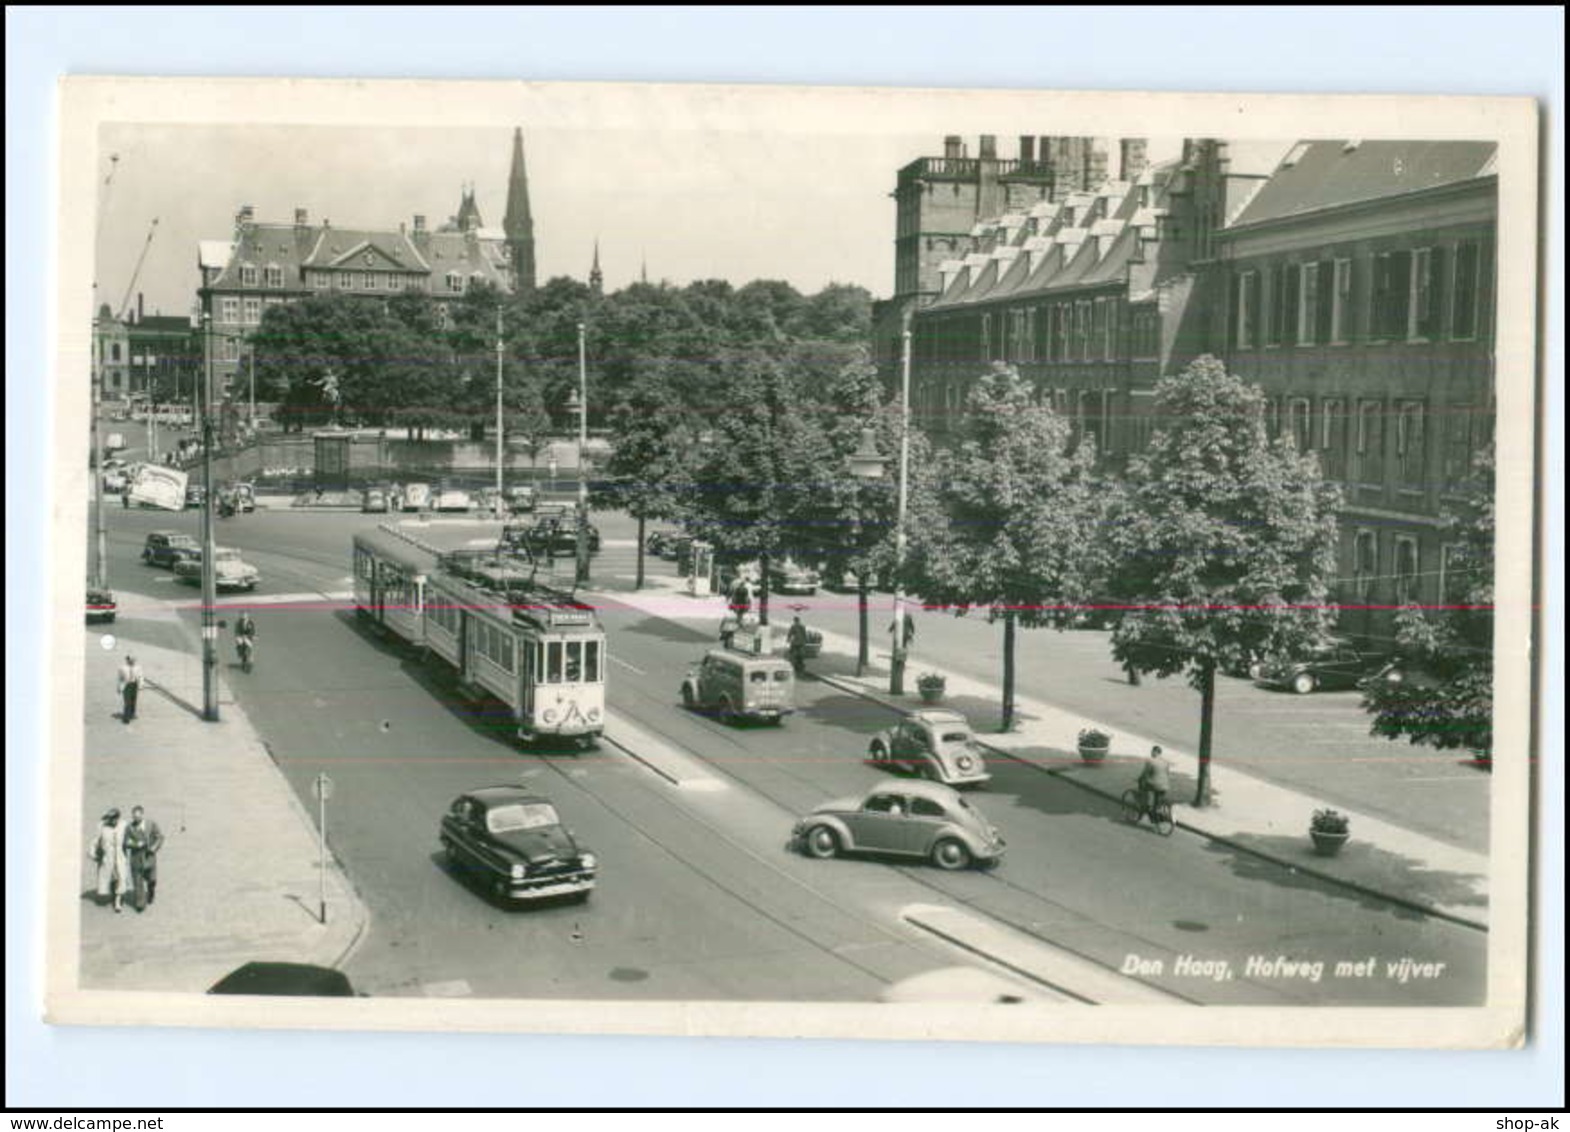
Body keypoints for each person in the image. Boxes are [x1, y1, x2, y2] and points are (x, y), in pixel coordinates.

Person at [122, 805, 164, 913]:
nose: (135, 819)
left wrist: (154, 848)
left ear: (142, 815)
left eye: (138, 816)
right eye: (134, 817)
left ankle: (151, 890)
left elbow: (160, 836)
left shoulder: (151, 824)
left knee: (152, 879)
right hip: (136, 859)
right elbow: (126, 842)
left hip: (149, 857)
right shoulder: (129, 828)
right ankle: (140, 903)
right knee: (137, 881)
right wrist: (136, 844)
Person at [89, 808, 129, 913]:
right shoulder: (102, 826)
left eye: (114, 819)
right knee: (111, 878)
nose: (112, 821)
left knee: (121, 877)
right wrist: (93, 853)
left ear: (118, 818)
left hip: (120, 857)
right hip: (108, 857)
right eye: (110, 819)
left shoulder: (124, 825)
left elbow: (130, 837)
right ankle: (114, 894)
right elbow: (95, 841)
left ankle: (117, 901)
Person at [1137, 745, 1172, 816]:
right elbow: (1167, 773)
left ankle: (1145, 806)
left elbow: (1145, 773)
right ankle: (1156, 811)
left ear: (1155, 752)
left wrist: (1140, 779)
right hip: (1165, 785)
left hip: (1154, 784)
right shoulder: (1166, 762)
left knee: (1144, 788)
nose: (1151, 753)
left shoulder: (1150, 761)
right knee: (1158, 798)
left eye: (1152, 751)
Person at [116, 654, 143, 723]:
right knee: (127, 702)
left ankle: (132, 714)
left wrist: (140, 685)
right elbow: (119, 678)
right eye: (130, 660)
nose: (132, 661)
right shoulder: (122, 668)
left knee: (133, 701)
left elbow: (140, 676)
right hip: (126, 685)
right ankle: (126, 718)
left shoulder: (138, 667)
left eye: (133, 660)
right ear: (127, 660)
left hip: (134, 685)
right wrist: (118, 687)